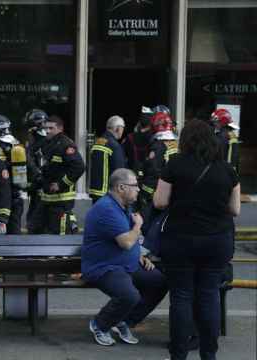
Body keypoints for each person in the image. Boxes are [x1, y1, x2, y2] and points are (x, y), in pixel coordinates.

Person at [153, 119, 241, 360]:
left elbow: (159, 202)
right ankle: (209, 353)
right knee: (209, 294)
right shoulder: (227, 169)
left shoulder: (174, 164)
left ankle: (179, 354)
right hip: (216, 240)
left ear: (185, 141)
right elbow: (235, 210)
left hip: (180, 239)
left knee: (181, 296)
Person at [81, 168, 167, 347]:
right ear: (121, 187)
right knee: (129, 295)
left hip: (125, 264)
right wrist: (138, 226)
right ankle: (100, 324)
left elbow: (129, 242)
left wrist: (140, 255)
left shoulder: (123, 206)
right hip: (104, 267)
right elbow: (126, 241)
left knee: (160, 282)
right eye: (134, 186)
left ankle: (124, 321)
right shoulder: (107, 209)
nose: (138, 189)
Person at [28, 115, 85, 235]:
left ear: (60, 129)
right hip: (45, 198)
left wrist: (61, 184)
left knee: (59, 232)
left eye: (51, 128)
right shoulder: (45, 143)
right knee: (34, 228)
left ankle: (62, 251)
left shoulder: (66, 145)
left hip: (61, 199)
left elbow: (79, 167)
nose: (47, 131)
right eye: (46, 128)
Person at [0, 115, 28, 234]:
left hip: (2, 199)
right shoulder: (16, 145)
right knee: (14, 235)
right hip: (16, 198)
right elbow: (30, 168)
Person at [139, 112, 178, 228]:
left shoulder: (158, 146)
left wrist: (145, 193)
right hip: (173, 192)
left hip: (156, 193)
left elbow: (154, 172)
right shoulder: (176, 144)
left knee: (150, 226)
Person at [88, 115, 127, 203]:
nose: (122, 132)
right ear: (117, 129)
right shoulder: (114, 145)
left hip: (94, 191)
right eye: (122, 129)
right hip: (107, 193)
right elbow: (119, 171)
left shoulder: (98, 142)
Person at [23, 109, 49, 230]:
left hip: (41, 182)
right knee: (35, 209)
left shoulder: (44, 140)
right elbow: (29, 159)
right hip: (36, 183)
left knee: (37, 212)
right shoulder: (33, 139)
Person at [122, 106, 154, 176]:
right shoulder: (154, 138)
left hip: (132, 175)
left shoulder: (129, 138)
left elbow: (122, 156)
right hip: (149, 177)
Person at [209, 108, 240, 174]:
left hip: (223, 170)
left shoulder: (228, 136)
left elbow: (233, 156)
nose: (214, 124)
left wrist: (230, 171)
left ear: (223, 122)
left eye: (216, 122)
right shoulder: (216, 133)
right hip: (218, 168)